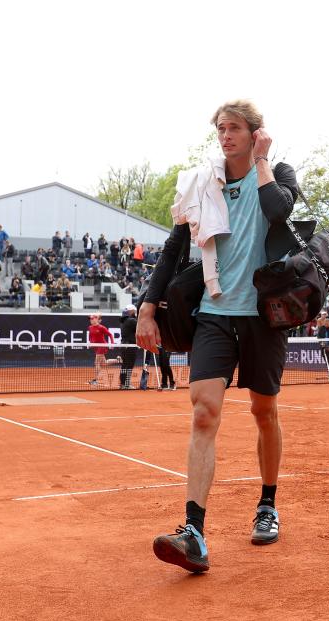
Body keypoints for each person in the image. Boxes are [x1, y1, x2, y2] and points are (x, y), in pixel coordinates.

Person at [139, 99, 298, 573]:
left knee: (263, 411)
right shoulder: (201, 182)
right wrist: (147, 307)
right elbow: (174, 247)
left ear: (255, 133)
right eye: (220, 129)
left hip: (263, 315)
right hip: (213, 312)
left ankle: (267, 503)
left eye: (234, 128)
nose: (225, 136)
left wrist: (264, 160)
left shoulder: (278, 173)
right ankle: (194, 532)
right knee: (204, 413)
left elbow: (277, 212)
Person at [88, 314, 115, 386]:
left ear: (97, 319)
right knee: (104, 363)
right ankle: (118, 360)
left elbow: (110, 335)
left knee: (97, 363)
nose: (91, 320)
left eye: (93, 319)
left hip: (102, 346)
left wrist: (112, 343)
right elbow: (90, 336)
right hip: (96, 347)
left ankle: (96, 380)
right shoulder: (90, 327)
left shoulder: (101, 327)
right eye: (90, 319)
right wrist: (90, 343)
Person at [118, 304, 138, 389]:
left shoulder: (124, 321)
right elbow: (141, 326)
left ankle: (123, 384)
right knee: (129, 365)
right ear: (131, 311)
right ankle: (126, 384)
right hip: (130, 345)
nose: (135, 313)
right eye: (134, 311)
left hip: (124, 345)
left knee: (125, 365)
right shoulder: (131, 320)